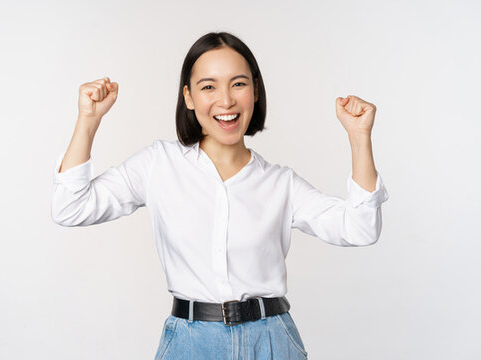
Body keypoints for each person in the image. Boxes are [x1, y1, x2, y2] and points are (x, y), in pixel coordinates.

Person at [51, 32, 389, 360]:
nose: (225, 100)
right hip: (191, 343)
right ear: (188, 97)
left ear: (255, 91)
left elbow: (359, 229)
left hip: (271, 341)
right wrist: (88, 121)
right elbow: (71, 208)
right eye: (208, 86)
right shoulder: (158, 165)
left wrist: (360, 137)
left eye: (238, 84)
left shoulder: (280, 184)